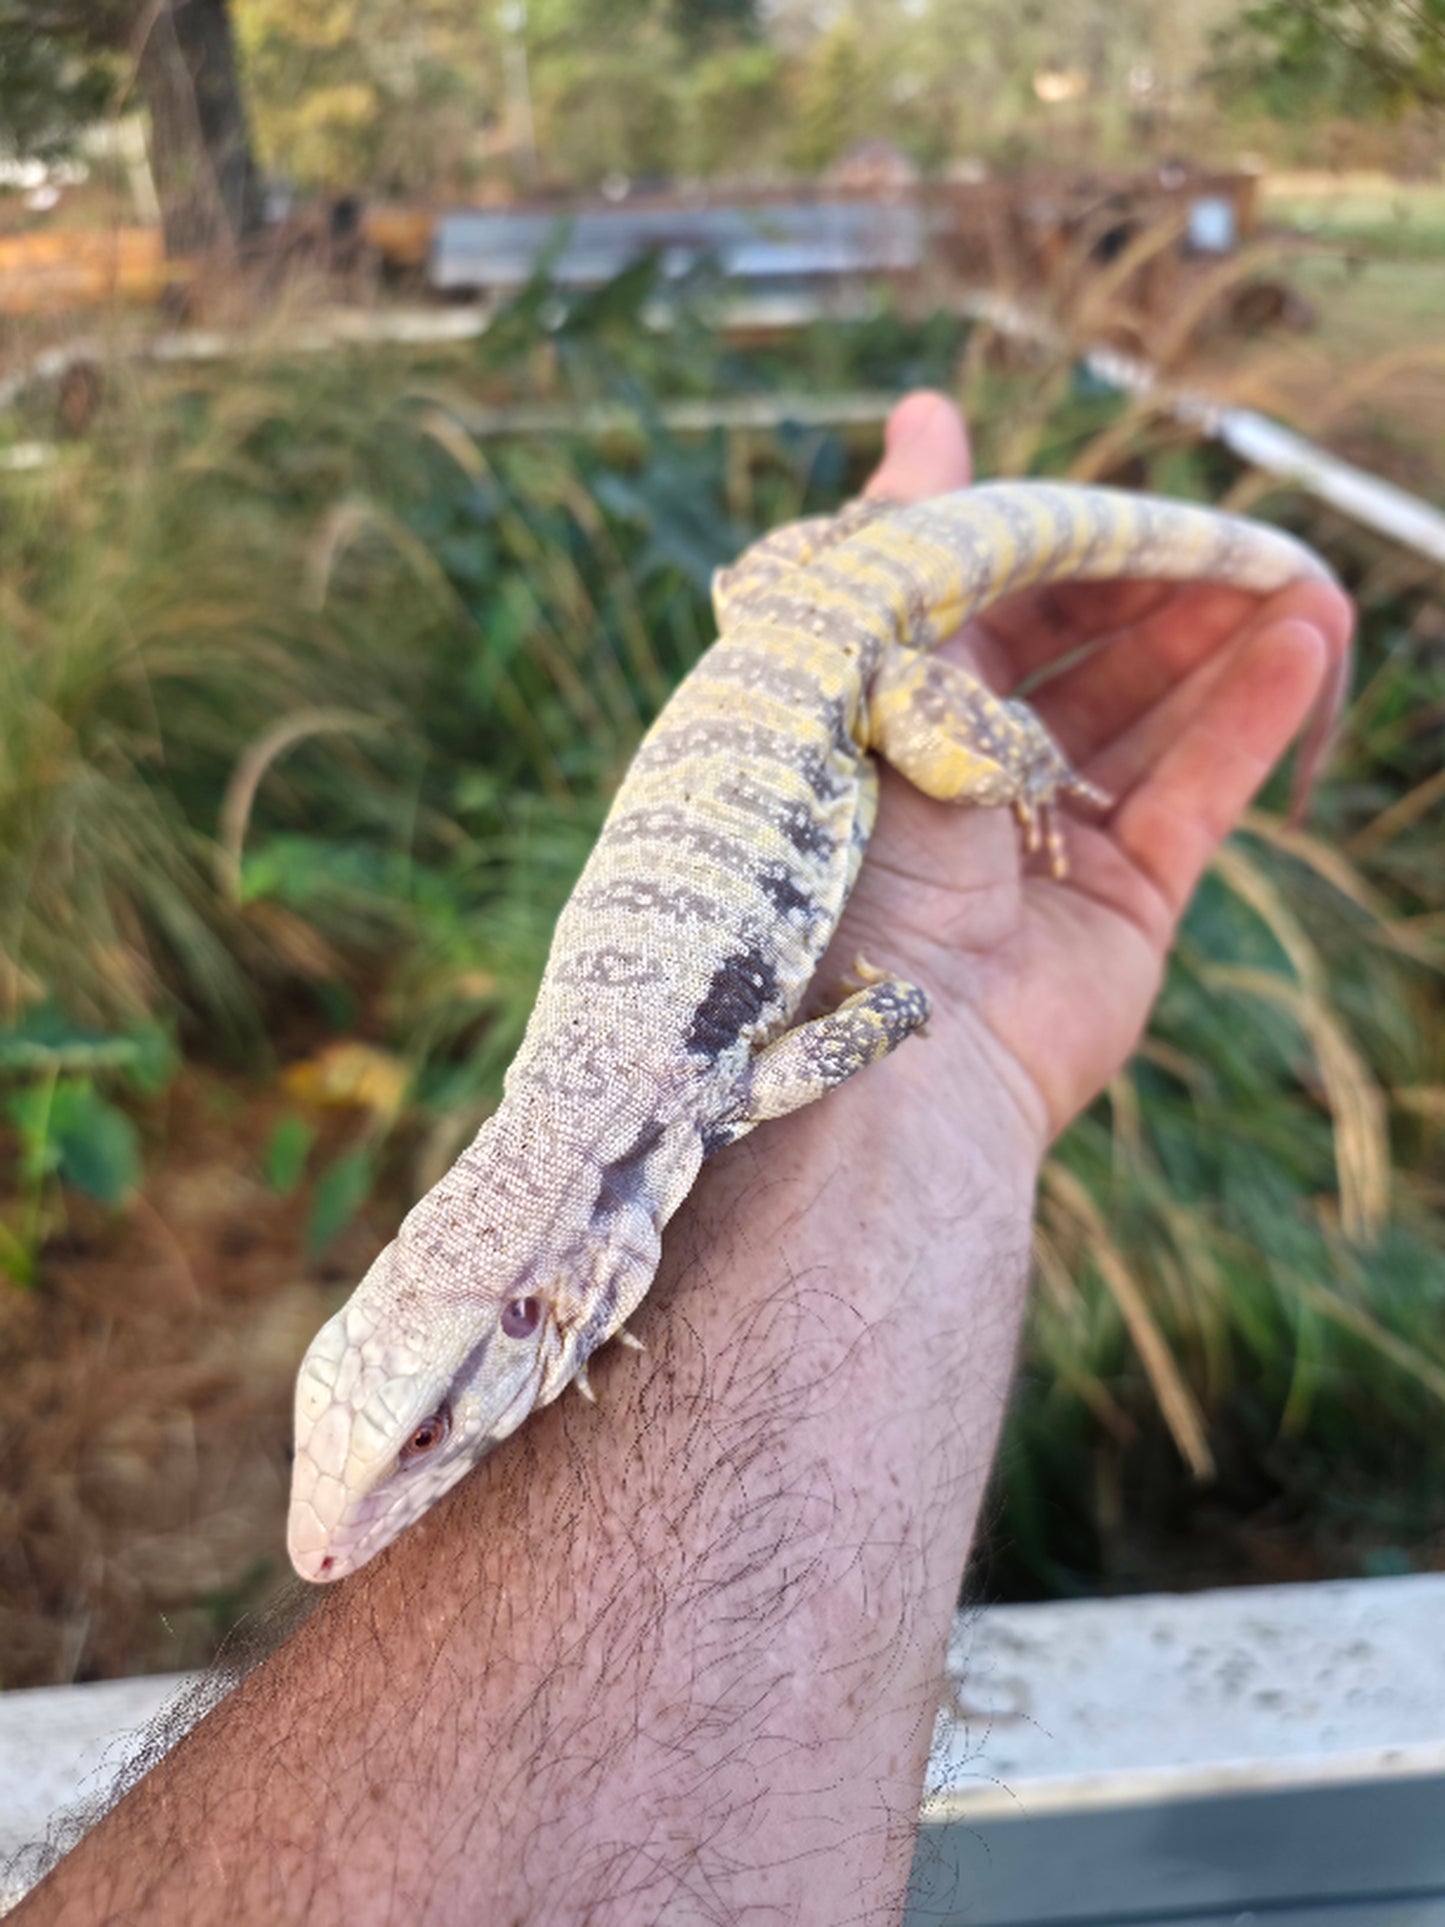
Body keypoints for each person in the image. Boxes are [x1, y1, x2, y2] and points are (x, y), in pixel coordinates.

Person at [15, 393, 1352, 1926]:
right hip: (777, 612)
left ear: (531, 1309)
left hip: (848, 664)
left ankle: (1044, 730)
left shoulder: (698, 1100)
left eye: (425, 1437)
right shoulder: (632, 1124)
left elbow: (893, 1012)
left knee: (965, 758)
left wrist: (1004, 788)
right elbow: (895, 1011)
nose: (332, 1540)